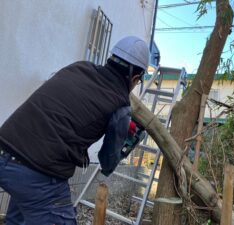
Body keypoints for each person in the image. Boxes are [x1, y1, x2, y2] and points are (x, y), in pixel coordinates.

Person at [0, 36, 149, 225]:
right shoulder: (121, 105)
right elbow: (107, 160)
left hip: (6, 149)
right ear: (135, 78)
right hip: (39, 174)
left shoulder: (79, 67)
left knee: (19, 219)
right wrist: (120, 150)